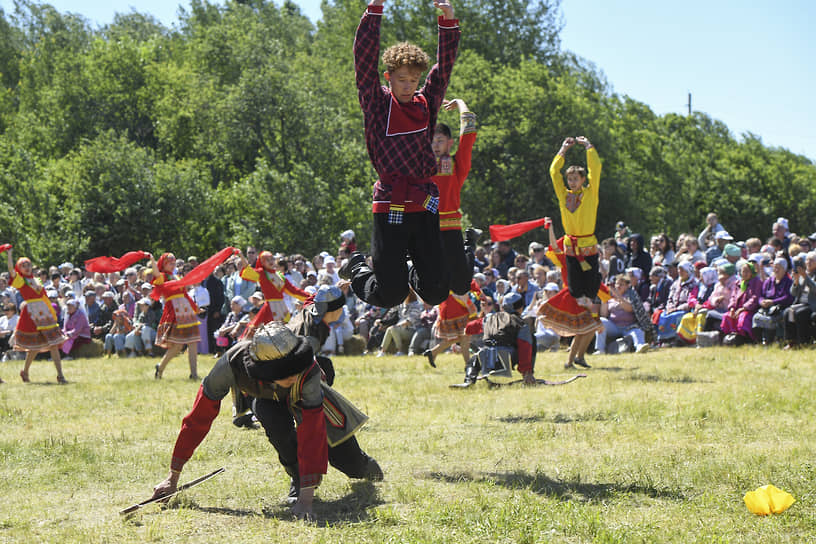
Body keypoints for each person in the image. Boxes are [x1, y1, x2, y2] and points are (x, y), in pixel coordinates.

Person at [149, 322, 383, 520]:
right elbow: (197, 419)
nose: (294, 376)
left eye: (295, 371)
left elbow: (312, 434)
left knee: (351, 464)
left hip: (306, 401)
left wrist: (306, 503)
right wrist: (173, 477)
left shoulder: (307, 372)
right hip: (266, 400)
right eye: (286, 374)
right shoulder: (230, 365)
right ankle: (298, 477)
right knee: (270, 418)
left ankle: (363, 465)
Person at [342, 0, 460, 309]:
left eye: (413, 80)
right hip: (390, 202)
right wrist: (375, 11)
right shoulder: (377, 104)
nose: (409, 86)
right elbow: (363, 59)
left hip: (422, 201)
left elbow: (443, 69)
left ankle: (411, 270)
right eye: (402, 79)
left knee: (437, 293)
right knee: (390, 295)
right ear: (388, 78)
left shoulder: (426, 103)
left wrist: (447, 25)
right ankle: (357, 267)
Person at [432, 97, 480, 295]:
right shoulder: (416, 164)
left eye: (440, 140)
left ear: (449, 143)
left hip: (451, 227)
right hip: (425, 226)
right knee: (434, 287)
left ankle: (469, 245)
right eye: (431, 140)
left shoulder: (456, 164)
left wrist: (460, 103)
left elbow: (468, 135)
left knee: (461, 286)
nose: (435, 145)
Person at [549, 136, 602, 307]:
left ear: (582, 179)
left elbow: (595, 169)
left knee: (591, 289)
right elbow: (553, 172)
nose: (572, 182)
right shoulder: (564, 195)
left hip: (588, 245)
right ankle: (580, 319)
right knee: (575, 289)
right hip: (571, 246)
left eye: (575, 179)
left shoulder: (590, 194)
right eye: (569, 179)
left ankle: (593, 318)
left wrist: (588, 146)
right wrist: (563, 150)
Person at [6, 248, 68, 384]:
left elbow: (43, 295)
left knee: (53, 343)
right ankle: (26, 371)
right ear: (19, 269)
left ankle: (60, 375)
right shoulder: (21, 280)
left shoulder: (36, 279)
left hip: (44, 311)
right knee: (35, 346)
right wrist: (10, 254)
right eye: (23, 265)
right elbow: (11, 270)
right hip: (32, 313)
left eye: (28, 264)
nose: (27, 267)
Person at [451, 292, 535, 387]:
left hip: (485, 356)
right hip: (507, 357)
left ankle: (469, 381)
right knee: (532, 340)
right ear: (520, 308)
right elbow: (525, 347)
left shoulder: (489, 318)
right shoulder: (521, 324)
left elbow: (470, 327)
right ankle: (528, 376)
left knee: (473, 361)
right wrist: (526, 371)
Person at [150, 252, 202, 380]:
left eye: (174, 263)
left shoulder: (177, 276)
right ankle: (160, 367)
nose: (173, 265)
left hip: (186, 310)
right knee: (177, 346)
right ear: (163, 264)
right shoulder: (162, 276)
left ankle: (194, 374)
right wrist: (152, 259)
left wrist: (195, 308)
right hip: (174, 310)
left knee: (193, 341)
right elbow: (156, 274)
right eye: (170, 263)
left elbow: (185, 294)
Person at [237, 251, 309, 324]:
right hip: (269, 309)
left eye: (271, 259)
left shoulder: (280, 276)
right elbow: (248, 269)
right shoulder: (262, 273)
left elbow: (293, 291)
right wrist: (241, 255)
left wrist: (309, 296)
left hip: (282, 309)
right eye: (267, 260)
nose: (270, 261)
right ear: (262, 262)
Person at [423, 280, 480, 368]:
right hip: (457, 306)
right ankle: (468, 365)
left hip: (447, 304)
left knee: (459, 338)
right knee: (464, 338)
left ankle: (433, 352)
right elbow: (463, 288)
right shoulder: (457, 272)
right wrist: (472, 308)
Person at [594, 274, 651, 355]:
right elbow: (604, 314)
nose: (618, 286)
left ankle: (639, 346)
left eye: (621, 284)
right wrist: (604, 300)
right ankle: (600, 349)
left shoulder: (631, 295)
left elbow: (629, 308)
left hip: (629, 327)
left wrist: (618, 296)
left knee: (638, 331)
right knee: (600, 321)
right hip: (614, 326)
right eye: (617, 284)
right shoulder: (610, 297)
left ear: (627, 286)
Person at [751, 257, 794, 345]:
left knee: (774, 318)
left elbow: (788, 297)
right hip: (767, 307)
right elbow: (761, 295)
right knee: (756, 317)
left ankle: (775, 340)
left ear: (784, 269)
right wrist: (762, 302)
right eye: (775, 267)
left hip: (780, 307)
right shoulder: (768, 281)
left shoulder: (788, 282)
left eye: (779, 267)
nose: (776, 269)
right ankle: (759, 341)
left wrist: (773, 302)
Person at [720, 261, 762, 345]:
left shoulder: (756, 282)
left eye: (747, 271)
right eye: (743, 271)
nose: (745, 273)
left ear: (752, 272)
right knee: (727, 316)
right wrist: (732, 308)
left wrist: (743, 308)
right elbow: (733, 297)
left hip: (749, 310)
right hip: (737, 309)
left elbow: (755, 298)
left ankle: (745, 338)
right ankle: (730, 338)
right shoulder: (738, 283)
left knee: (743, 317)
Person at [783, 252, 816, 349]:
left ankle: (804, 342)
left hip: (812, 305)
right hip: (801, 303)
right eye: (807, 260)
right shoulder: (802, 274)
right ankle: (791, 341)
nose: (809, 262)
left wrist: (805, 276)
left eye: (812, 260)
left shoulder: (806, 275)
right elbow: (793, 293)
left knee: (800, 313)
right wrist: (796, 281)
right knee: (787, 312)